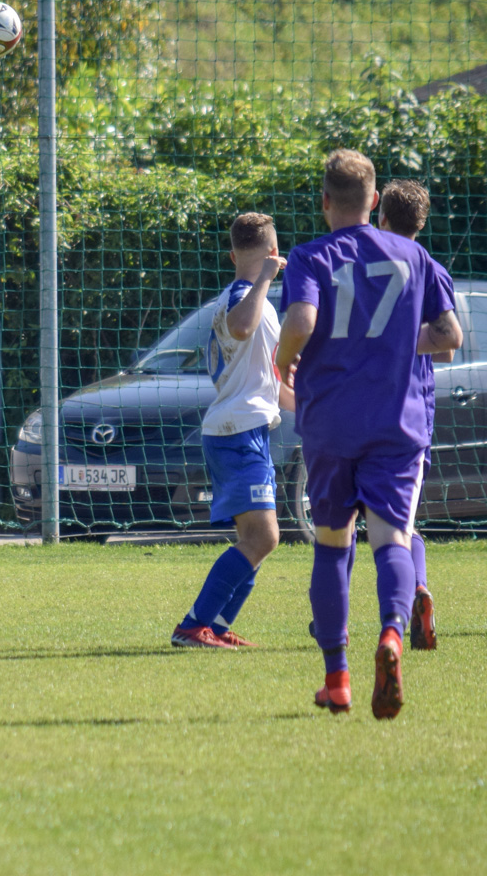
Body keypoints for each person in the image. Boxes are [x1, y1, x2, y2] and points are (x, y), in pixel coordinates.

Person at [276, 152, 462, 718]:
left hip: (332, 422)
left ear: (324, 202)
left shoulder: (310, 256)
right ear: (375, 201)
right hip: (396, 422)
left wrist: (283, 360)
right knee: (393, 540)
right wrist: (396, 344)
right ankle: (392, 635)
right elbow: (448, 335)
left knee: (333, 545)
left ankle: (337, 679)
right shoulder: (415, 255)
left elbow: (303, 322)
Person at [171, 212, 289, 649]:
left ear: (232, 254)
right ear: (274, 253)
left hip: (243, 427)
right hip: (238, 432)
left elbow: (272, 382)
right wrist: (265, 278)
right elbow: (241, 327)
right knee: (264, 537)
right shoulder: (244, 296)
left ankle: (216, 627)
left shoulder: (257, 304)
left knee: (254, 540)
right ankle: (192, 625)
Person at [377, 179, 455, 651]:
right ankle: (417, 588)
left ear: (381, 217)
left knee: (358, 524)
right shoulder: (432, 269)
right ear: (422, 223)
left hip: (365, 409)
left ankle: (333, 616)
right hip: (414, 415)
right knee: (399, 523)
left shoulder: (364, 267)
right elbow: (445, 347)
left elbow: (447, 341)